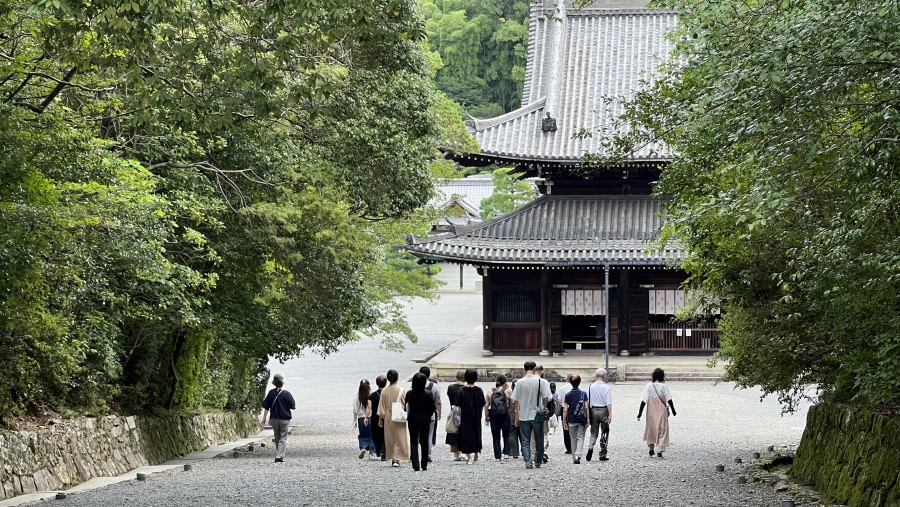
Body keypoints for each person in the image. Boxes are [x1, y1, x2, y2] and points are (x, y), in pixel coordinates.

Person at [511, 361, 551, 469]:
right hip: (537, 414)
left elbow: (515, 401)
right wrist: (544, 408)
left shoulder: (519, 383)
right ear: (534, 369)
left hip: (524, 414)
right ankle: (538, 460)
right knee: (539, 439)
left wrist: (517, 416)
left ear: (524, 369)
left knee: (525, 440)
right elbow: (546, 397)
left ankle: (528, 461)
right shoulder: (540, 381)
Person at [638, 367, 677, 458]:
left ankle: (651, 449)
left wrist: (639, 413)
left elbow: (644, 400)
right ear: (662, 376)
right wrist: (673, 410)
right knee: (662, 429)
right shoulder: (664, 387)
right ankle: (660, 450)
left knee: (651, 429)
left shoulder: (648, 386)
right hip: (662, 410)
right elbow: (669, 399)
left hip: (651, 411)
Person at [377, 369, 410, 467]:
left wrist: (380, 419)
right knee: (399, 437)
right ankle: (396, 458)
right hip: (398, 414)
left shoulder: (384, 391)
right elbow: (405, 404)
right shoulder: (401, 390)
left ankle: (393, 456)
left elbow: (381, 406)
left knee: (390, 437)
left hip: (387, 415)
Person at [261, 373, 296, 463]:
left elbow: (266, 407)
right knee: (283, 438)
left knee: (277, 437)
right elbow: (293, 406)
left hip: (274, 419)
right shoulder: (287, 394)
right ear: (283, 383)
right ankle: (279, 456)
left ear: (274, 383)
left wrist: (264, 418)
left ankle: (278, 454)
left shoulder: (271, 393)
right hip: (284, 419)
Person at [405, 372, 437, 471]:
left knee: (413, 441)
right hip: (425, 420)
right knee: (424, 441)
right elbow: (432, 408)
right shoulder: (428, 394)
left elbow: (406, 407)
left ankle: (415, 464)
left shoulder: (410, 393)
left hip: (413, 419)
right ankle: (424, 464)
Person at [457, 368, 485, 464]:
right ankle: (476, 453)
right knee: (477, 433)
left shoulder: (461, 391)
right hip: (476, 416)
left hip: (465, 416)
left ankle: (469, 456)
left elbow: (457, 406)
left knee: (466, 435)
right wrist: (480, 414)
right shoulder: (479, 390)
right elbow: (482, 403)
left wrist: (456, 419)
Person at [585, 368, 613, 462]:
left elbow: (587, 402)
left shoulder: (590, 387)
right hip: (603, 410)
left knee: (594, 432)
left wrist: (588, 415)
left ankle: (590, 447)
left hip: (593, 410)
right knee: (605, 431)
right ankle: (602, 453)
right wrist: (610, 414)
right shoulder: (606, 387)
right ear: (604, 376)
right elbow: (608, 402)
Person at [561, 374, 589, 464]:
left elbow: (565, 409)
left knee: (573, 438)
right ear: (579, 382)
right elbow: (586, 407)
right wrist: (588, 419)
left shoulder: (568, 395)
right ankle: (578, 454)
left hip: (571, 418)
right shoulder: (583, 394)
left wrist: (564, 421)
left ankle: (574, 457)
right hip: (581, 419)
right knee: (580, 437)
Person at [484, 374, 511, 461]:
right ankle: (506, 453)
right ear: (505, 382)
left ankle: (497, 456)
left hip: (494, 416)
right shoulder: (508, 391)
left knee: (496, 437)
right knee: (506, 435)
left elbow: (486, 405)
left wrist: (486, 416)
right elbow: (512, 403)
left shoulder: (490, 392)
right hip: (505, 416)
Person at [419, 366, 442, 463]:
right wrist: (439, 412)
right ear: (429, 375)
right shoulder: (434, 386)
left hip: (417, 413)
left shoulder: (415, 385)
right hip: (430, 414)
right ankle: (427, 454)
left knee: (418, 435)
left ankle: (415, 453)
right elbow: (438, 401)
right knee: (429, 434)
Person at [445, 369, 466, 461]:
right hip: (464, 412)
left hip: (453, 411)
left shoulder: (451, 387)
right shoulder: (465, 389)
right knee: (463, 431)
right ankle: (463, 451)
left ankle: (456, 454)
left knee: (453, 431)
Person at [353, 379, 373, 459]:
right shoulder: (371, 395)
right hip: (370, 417)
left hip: (361, 418)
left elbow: (355, 410)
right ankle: (372, 451)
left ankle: (363, 447)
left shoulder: (357, 397)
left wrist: (354, 420)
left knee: (362, 435)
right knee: (372, 435)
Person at [557, 372, 576, 454]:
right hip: (574, 409)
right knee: (575, 428)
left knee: (565, 428)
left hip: (564, 409)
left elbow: (559, 401)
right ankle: (575, 446)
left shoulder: (562, 388)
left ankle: (569, 448)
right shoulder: (577, 388)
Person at [369, 375, 387, 460]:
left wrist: (366, 416)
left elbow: (369, 407)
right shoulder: (388, 394)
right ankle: (384, 452)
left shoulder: (372, 396)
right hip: (386, 417)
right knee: (385, 435)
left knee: (376, 434)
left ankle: (378, 451)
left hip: (375, 417)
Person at [507, 380, 520, 460]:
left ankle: (514, 452)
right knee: (523, 436)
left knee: (512, 436)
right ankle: (525, 451)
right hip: (522, 418)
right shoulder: (522, 394)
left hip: (511, 418)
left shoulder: (510, 395)